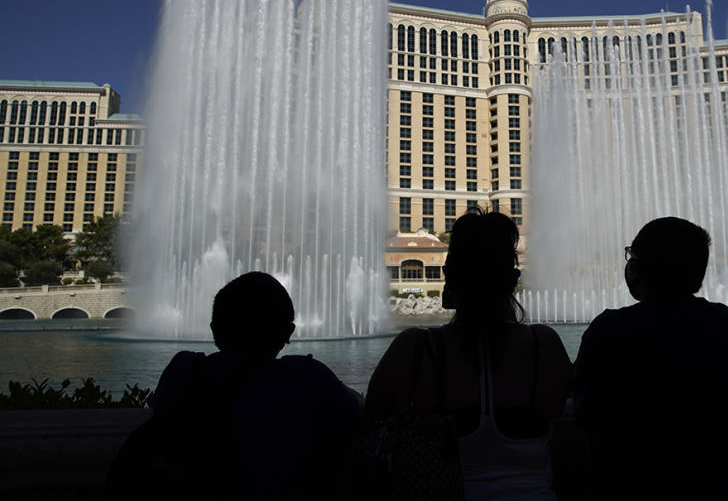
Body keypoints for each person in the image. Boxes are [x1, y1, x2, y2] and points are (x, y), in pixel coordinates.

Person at [366, 210, 572, 500]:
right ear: (513, 279)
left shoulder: (414, 350)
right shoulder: (543, 345)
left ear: (448, 275)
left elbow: (369, 426)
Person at [109, 271, 359, 501]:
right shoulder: (307, 377)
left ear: (214, 329)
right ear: (288, 332)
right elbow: (356, 413)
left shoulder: (184, 369)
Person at [574, 217, 728, 500]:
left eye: (631, 256)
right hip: (723, 487)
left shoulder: (611, 330)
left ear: (638, 268)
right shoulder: (725, 323)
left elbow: (586, 413)